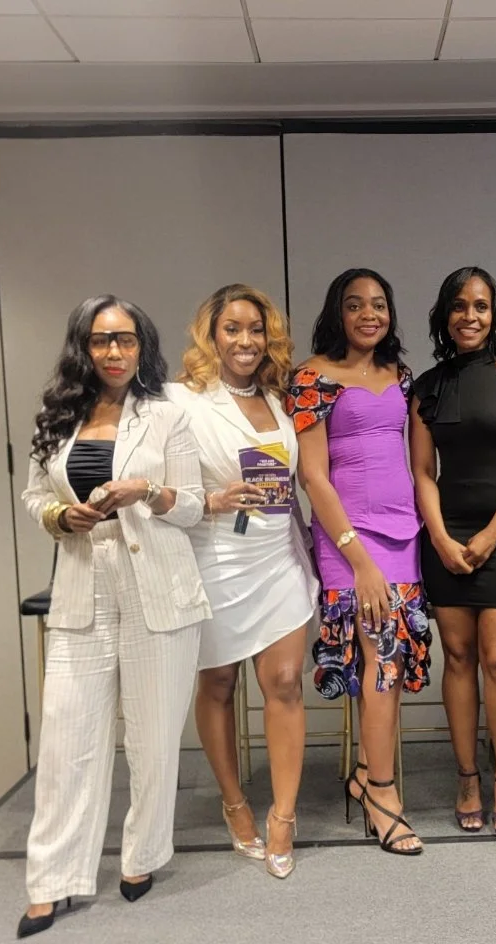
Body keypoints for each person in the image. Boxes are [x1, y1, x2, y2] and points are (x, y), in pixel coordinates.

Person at [17, 296, 209, 937]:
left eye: (126, 339)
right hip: (83, 589)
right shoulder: (59, 416)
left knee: (152, 741)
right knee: (66, 740)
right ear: (84, 347)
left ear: (141, 345)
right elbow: (36, 494)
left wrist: (145, 491)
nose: (115, 351)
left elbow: (193, 505)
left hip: (159, 591)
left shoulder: (167, 415)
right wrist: (58, 516)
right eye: (101, 340)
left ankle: (142, 857)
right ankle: (52, 880)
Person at [167, 284, 317, 880]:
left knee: (284, 682)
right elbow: (156, 484)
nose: (245, 340)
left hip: (277, 555)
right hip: (216, 556)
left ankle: (284, 814)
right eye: (232, 329)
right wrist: (210, 500)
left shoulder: (281, 399)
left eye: (256, 329)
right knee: (220, 682)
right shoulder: (181, 400)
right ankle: (234, 804)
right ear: (211, 335)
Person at [286, 268, 428, 856]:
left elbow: (414, 461)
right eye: (354, 304)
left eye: (378, 304)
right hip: (349, 538)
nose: (369, 314)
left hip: (403, 534)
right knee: (382, 657)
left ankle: (367, 774)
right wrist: (358, 558)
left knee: (389, 664)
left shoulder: (401, 375)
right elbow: (313, 475)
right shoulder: (311, 378)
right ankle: (384, 797)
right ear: (336, 313)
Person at [409, 267, 496, 835]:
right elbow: (423, 471)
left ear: (495, 314)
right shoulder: (427, 385)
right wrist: (440, 536)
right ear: (445, 316)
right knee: (458, 655)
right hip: (446, 531)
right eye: (459, 306)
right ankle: (467, 775)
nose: (470, 316)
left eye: (481, 306)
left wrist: (493, 531)